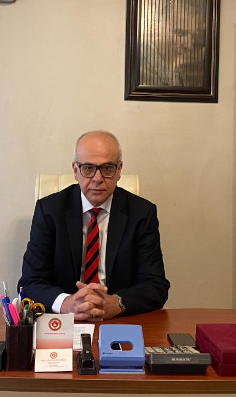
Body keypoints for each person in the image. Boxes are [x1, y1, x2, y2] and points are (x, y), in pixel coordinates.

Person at [18, 130, 170, 321]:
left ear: (119, 170)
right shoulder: (49, 211)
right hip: (63, 322)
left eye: (107, 168)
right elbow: (29, 283)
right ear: (75, 170)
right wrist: (67, 303)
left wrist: (117, 303)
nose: (97, 178)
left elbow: (155, 286)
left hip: (118, 320)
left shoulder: (141, 213)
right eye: (88, 168)